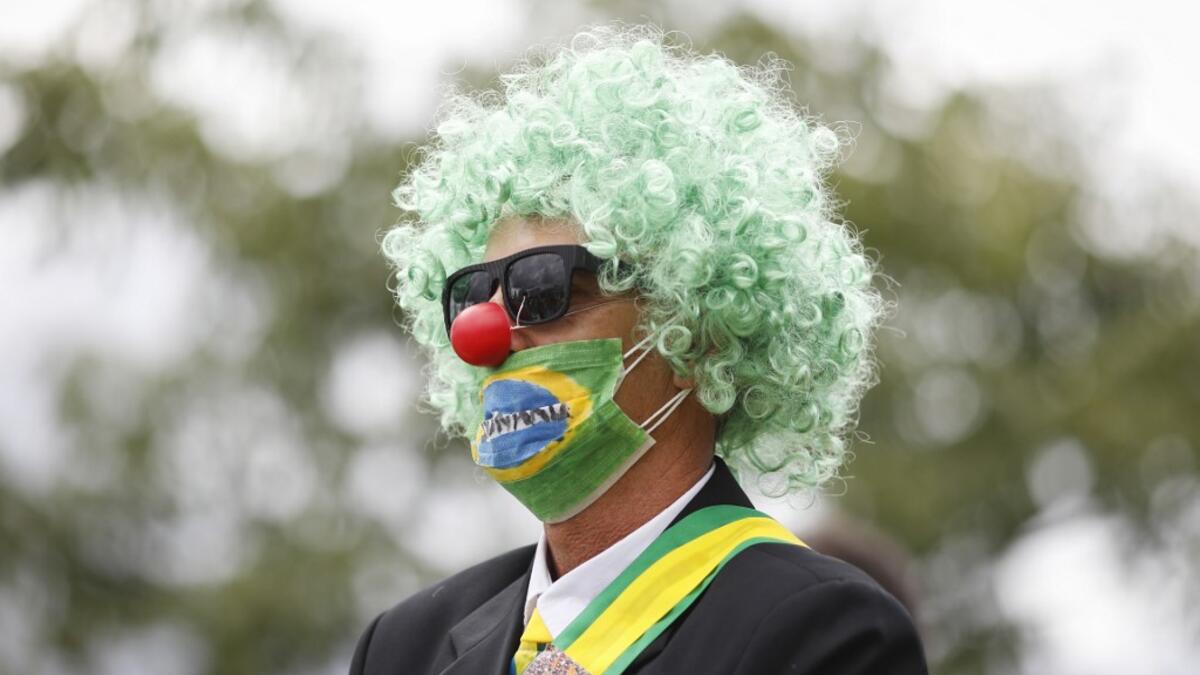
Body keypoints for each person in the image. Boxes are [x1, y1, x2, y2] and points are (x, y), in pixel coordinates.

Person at [350, 21, 928, 675]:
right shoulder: (404, 646)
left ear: (700, 336)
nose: (489, 334)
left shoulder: (827, 633)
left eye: (544, 288)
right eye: (474, 293)